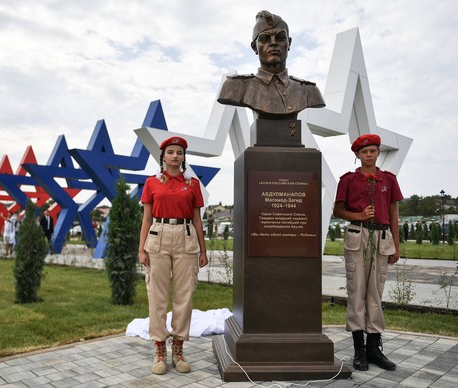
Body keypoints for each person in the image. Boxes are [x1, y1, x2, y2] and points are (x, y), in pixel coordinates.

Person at [333, 134, 403, 372]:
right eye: (364, 152)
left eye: (373, 151)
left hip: (382, 238)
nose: (369, 155)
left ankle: (374, 348)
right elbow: (338, 210)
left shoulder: (389, 180)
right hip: (357, 236)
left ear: (378, 153)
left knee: (375, 292)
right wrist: (359, 216)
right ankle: (358, 350)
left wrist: (396, 244)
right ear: (357, 155)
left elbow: (393, 213)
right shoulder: (348, 180)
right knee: (357, 291)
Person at [138, 136, 208, 375]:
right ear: (163, 157)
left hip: (186, 237)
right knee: (156, 295)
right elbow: (146, 219)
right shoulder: (151, 183)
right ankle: (159, 350)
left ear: (183, 157)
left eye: (179, 152)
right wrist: (141, 249)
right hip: (158, 236)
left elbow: (197, 219)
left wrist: (203, 250)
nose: (175, 156)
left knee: (184, 295)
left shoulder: (193, 185)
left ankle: (178, 349)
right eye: (171, 152)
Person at [217, 10, 324, 119]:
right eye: (265, 39)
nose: (273, 43)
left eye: (280, 37)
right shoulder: (235, 86)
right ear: (254, 47)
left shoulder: (309, 91)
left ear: (289, 43)